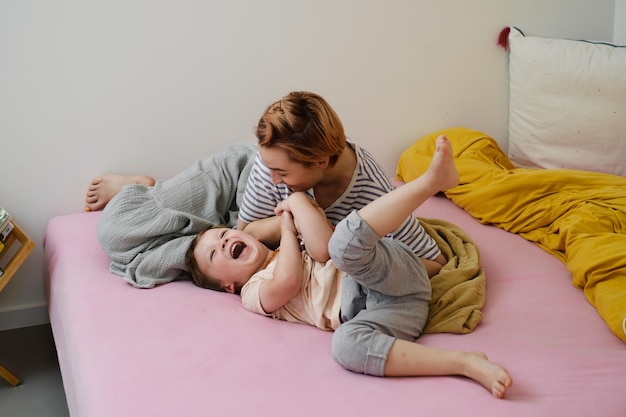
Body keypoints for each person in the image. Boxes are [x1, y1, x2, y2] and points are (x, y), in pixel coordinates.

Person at [185, 135, 513, 398]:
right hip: (388, 312)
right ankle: (464, 364)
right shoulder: (252, 293)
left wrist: (298, 205)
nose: (225, 243)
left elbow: (322, 249)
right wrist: (287, 228)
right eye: (215, 254)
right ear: (227, 286)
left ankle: (430, 182)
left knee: (341, 246)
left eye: (224, 235)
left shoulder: (278, 242)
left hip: (382, 271)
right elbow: (286, 283)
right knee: (345, 347)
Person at [237, 91, 448, 277]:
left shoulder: (373, 191)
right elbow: (243, 232)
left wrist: (373, 262)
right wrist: (300, 212)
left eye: (282, 173)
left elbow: (436, 265)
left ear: (320, 162)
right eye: (269, 167)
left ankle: (431, 182)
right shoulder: (271, 161)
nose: (273, 178)